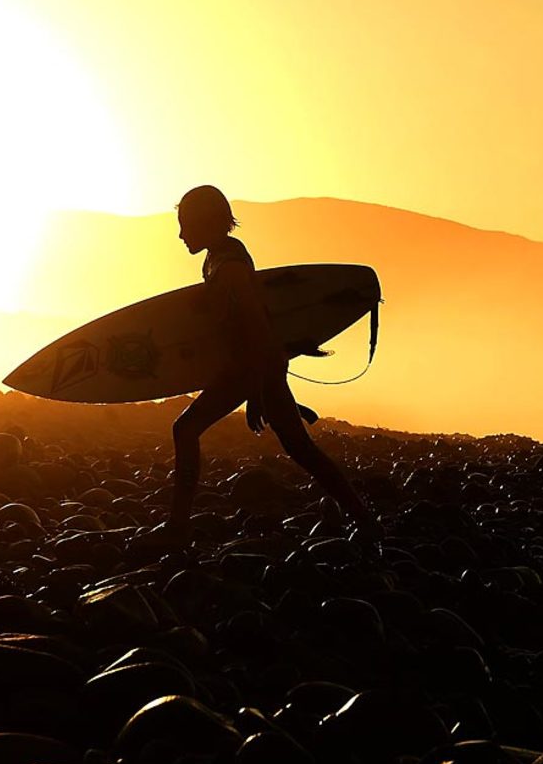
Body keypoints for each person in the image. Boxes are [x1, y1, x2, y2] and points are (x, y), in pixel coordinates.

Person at [145, 185, 377, 547]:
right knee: (300, 447)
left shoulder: (230, 266)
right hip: (257, 366)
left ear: (205, 222)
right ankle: (365, 520)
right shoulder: (217, 258)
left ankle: (177, 528)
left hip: (251, 366)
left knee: (185, 429)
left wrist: (257, 389)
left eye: (184, 224)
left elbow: (257, 328)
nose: (180, 234)